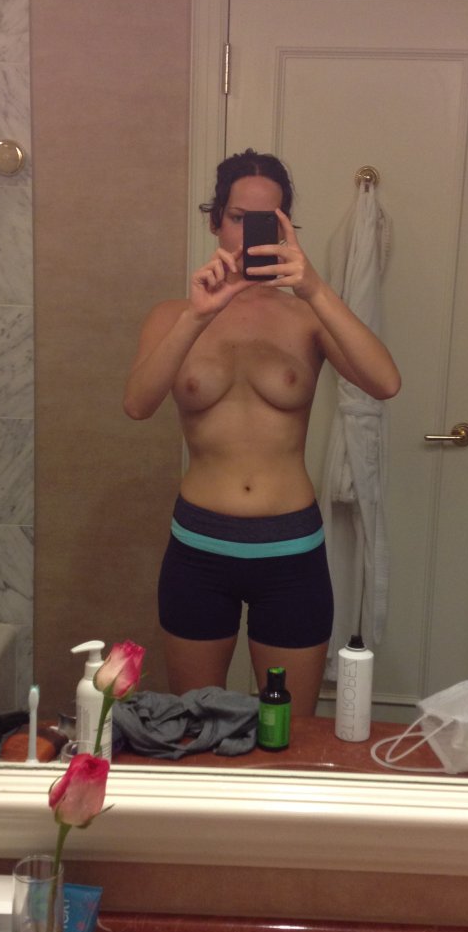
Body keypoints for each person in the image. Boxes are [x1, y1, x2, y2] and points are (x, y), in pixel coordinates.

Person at [124, 149, 401, 717]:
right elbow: (138, 404)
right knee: (197, 723)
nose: (248, 232)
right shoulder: (174, 315)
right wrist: (197, 316)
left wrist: (315, 288)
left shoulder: (306, 317)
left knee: (289, 733)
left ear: (284, 228)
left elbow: (385, 382)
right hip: (199, 549)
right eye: (236, 217)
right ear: (215, 221)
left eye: (267, 220)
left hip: (290, 551)